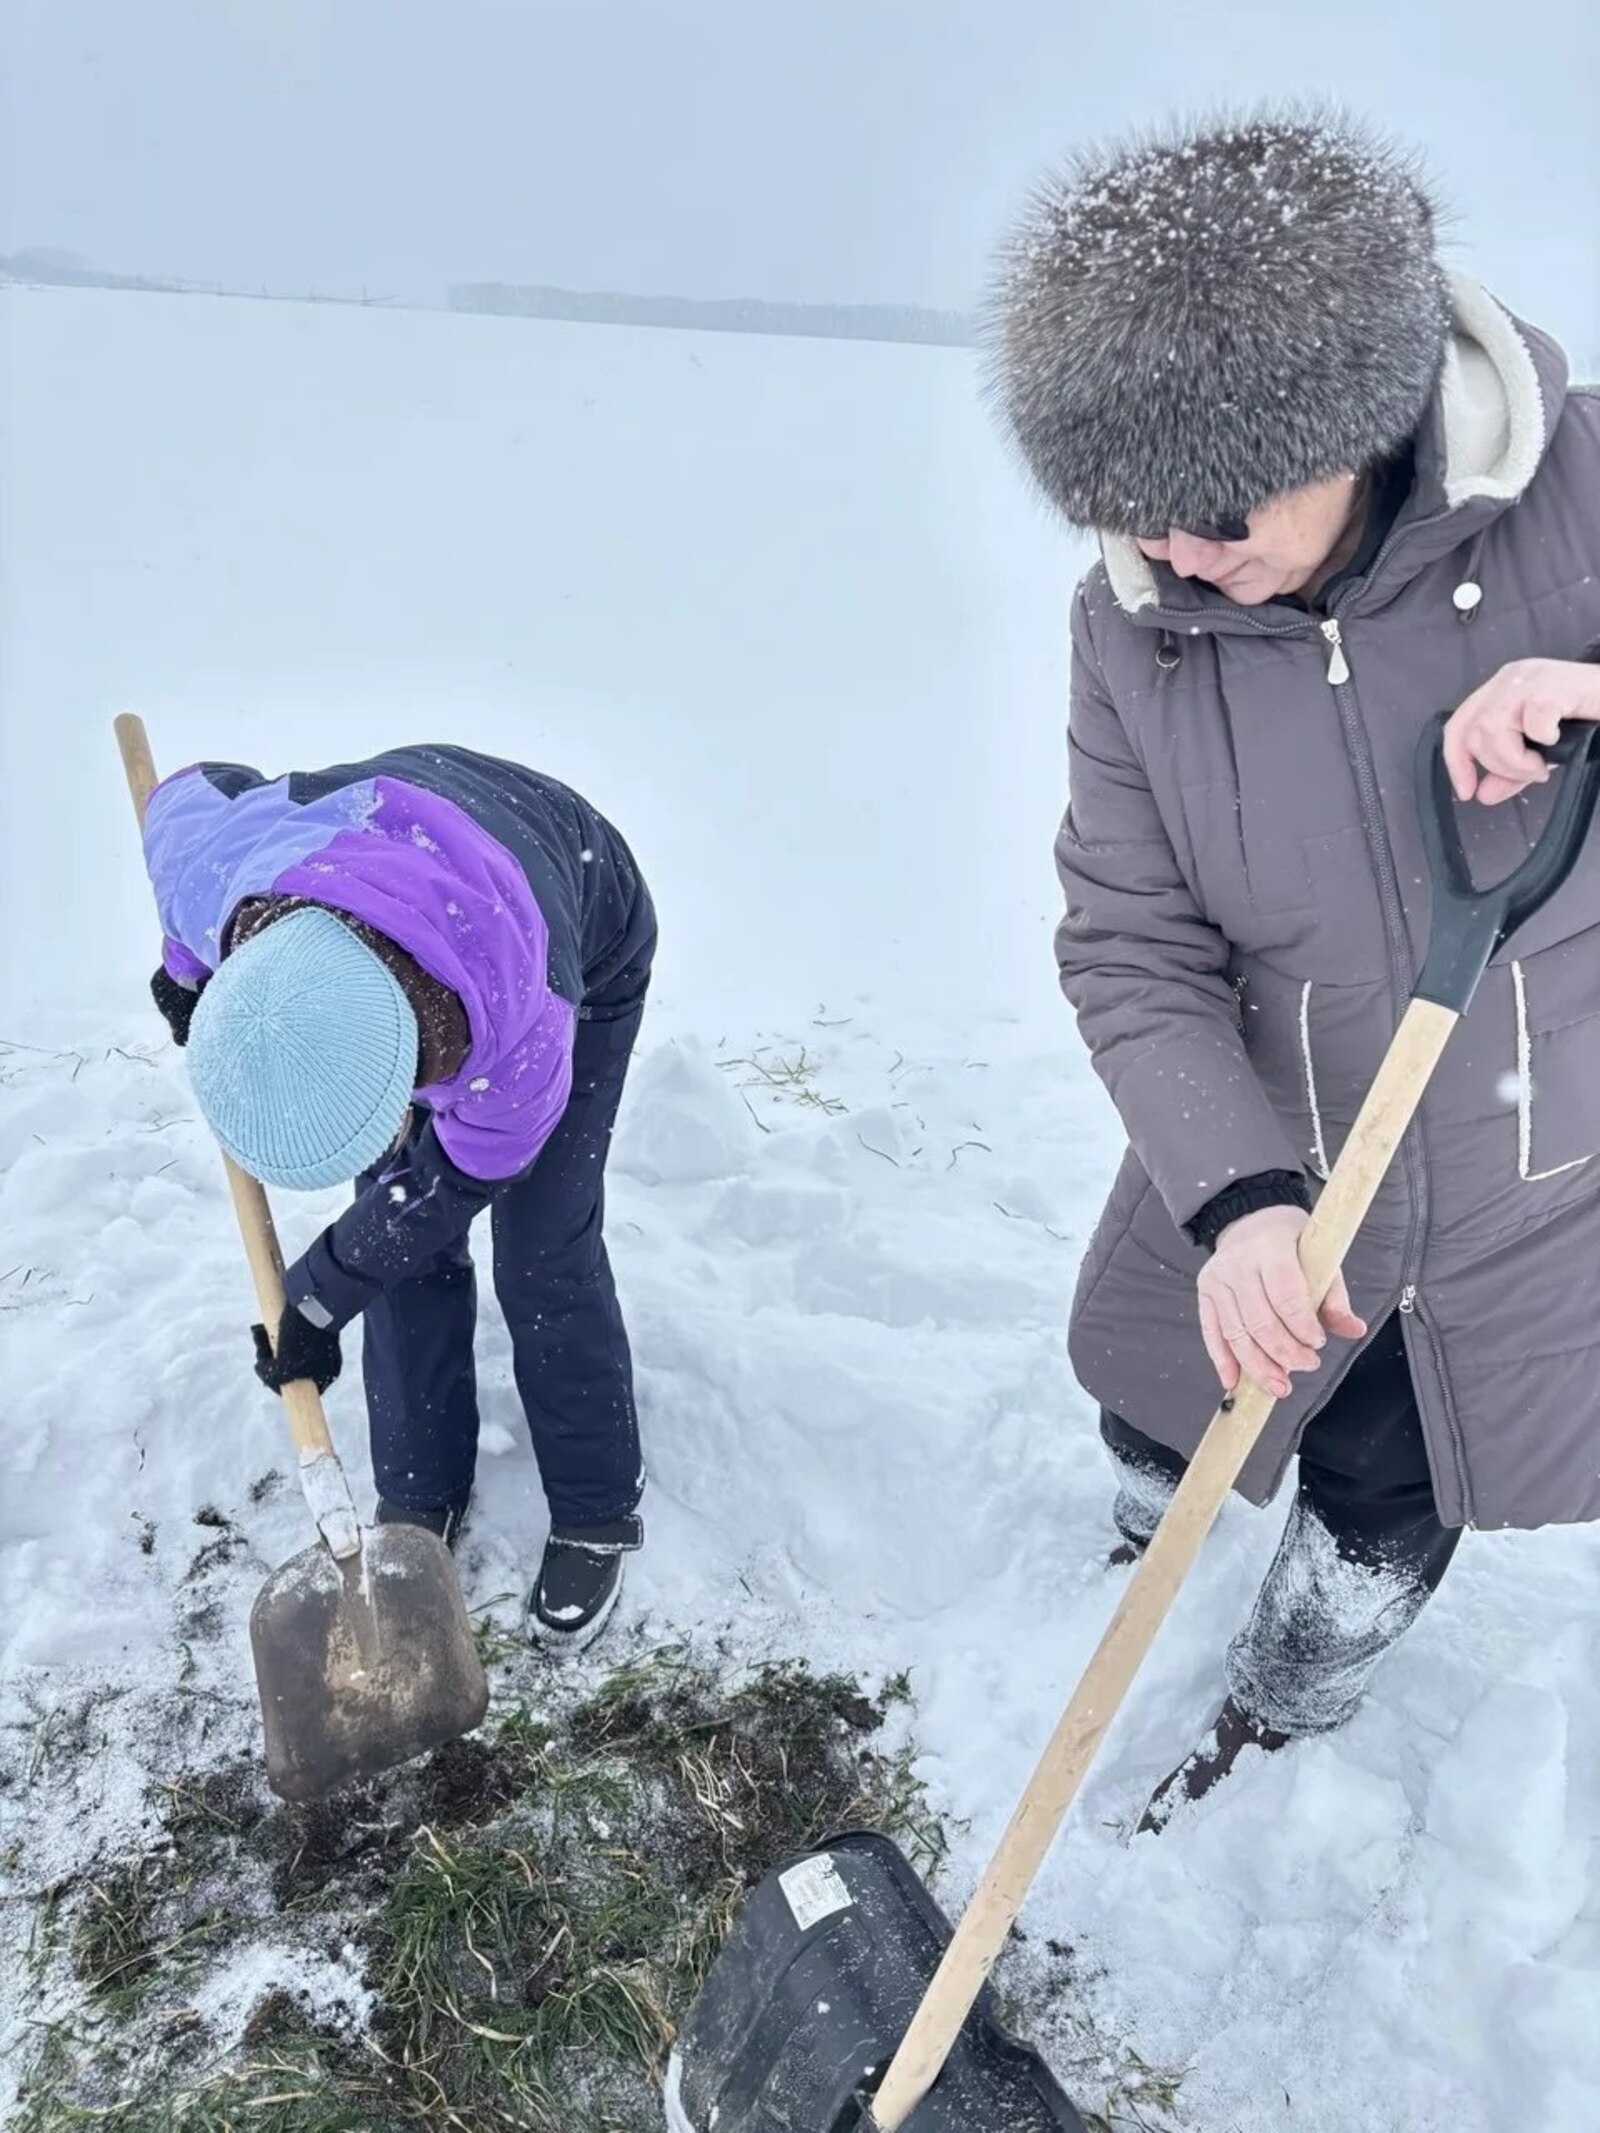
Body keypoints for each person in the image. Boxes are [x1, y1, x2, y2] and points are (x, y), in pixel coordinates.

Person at [983, 108, 1600, 1820]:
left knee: (1393, 1483)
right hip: (1280, 1141)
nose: (1177, 553)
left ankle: (1289, 1695)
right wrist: (1235, 1195)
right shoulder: (1133, 629)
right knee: (1174, 1410)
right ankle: (1133, 1550)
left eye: (1216, 508)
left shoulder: (1582, 493)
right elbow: (1128, 934)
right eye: (1128, 513)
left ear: (1355, 422)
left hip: (1529, 1159)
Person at [142, 743, 656, 1652]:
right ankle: (420, 1492)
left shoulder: (522, 1019)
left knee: (545, 1246)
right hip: (371, 858)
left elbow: (450, 1186)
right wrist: (190, 979)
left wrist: (318, 1292)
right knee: (396, 1224)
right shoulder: (213, 874)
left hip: (577, 905)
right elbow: (184, 797)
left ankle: (597, 1506)